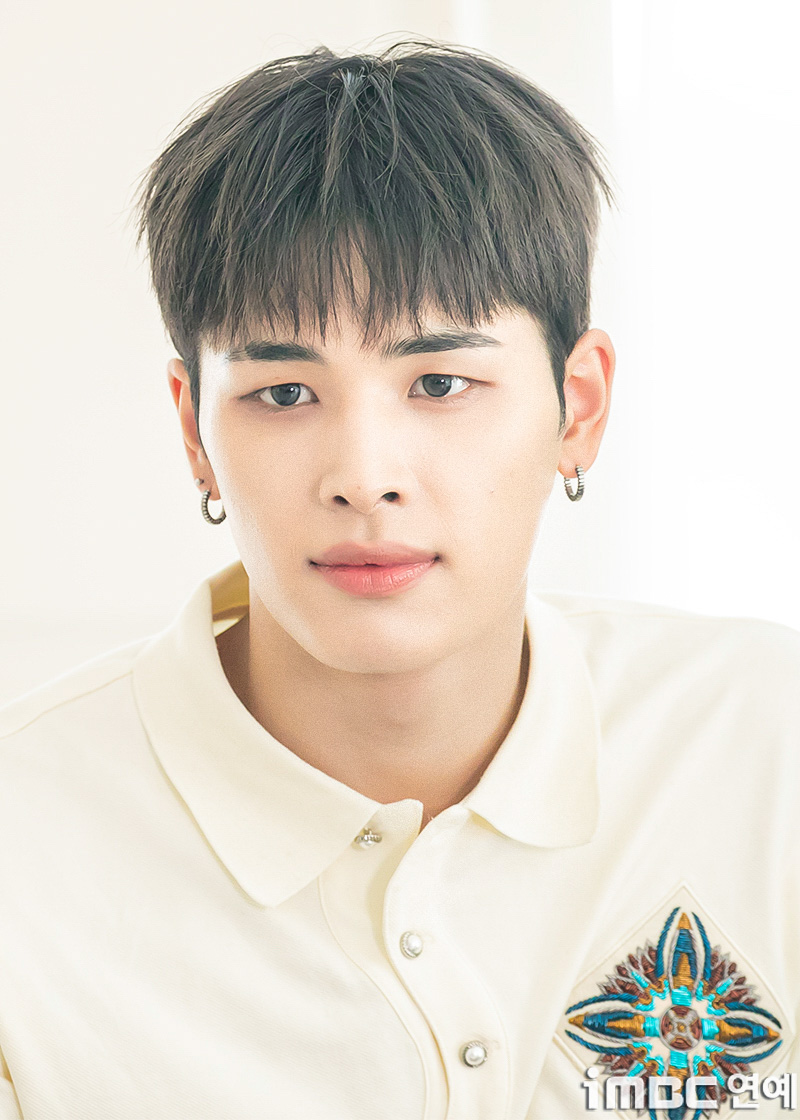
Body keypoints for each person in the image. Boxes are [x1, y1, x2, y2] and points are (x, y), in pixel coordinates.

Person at [0, 38, 797, 1120]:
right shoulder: (24, 847)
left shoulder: (764, 740)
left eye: (439, 382)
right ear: (194, 433)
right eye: (284, 394)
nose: (363, 475)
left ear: (578, 406)